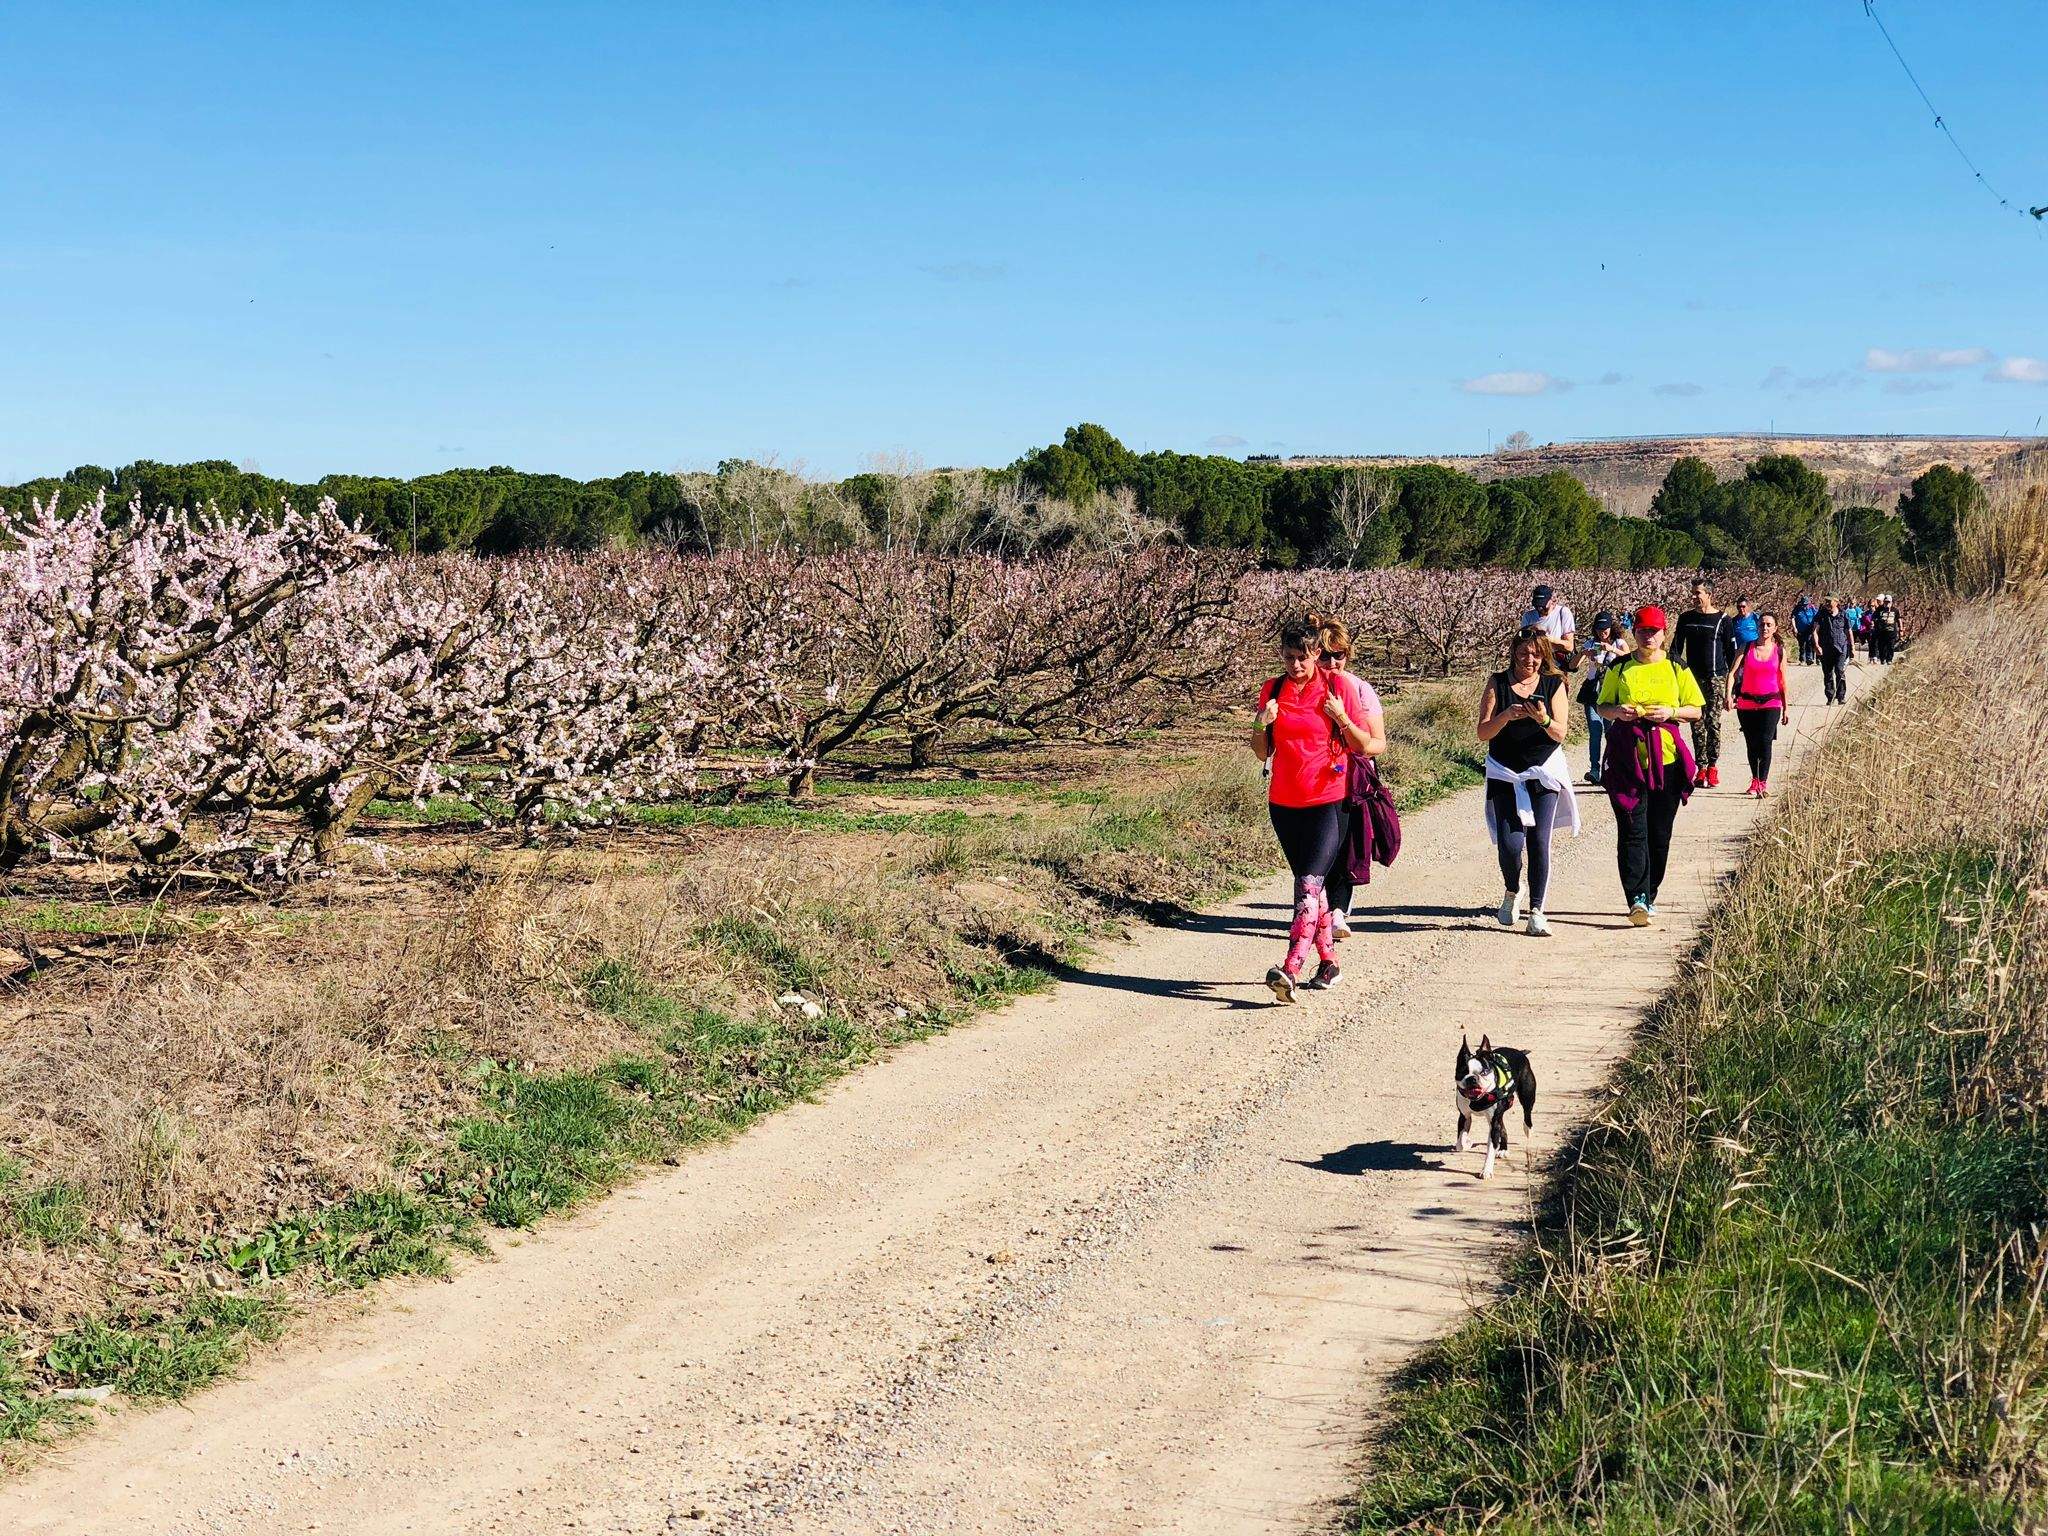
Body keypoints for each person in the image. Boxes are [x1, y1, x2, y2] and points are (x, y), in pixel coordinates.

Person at [1252, 616, 1384, 1001]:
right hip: (1284, 802)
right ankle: (1329, 961)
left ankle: (1290, 968)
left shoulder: (1337, 686)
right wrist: (1262, 722)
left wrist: (1340, 717)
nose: (1295, 666)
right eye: (1289, 657)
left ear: (1316, 656)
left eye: (1303, 658)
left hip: (1329, 800)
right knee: (1314, 887)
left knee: (1308, 885)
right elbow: (1263, 752)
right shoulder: (1272, 690)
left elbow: (1365, 745)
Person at [1596, 604, 1703, 927]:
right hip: (1628, 760)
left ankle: (1650, 891)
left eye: (1653, 631)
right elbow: (1602, 705)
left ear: (1664, 633)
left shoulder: (1676, 667)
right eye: (1642, 630)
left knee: (1659, 833)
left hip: (1666, 759)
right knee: (1631, 830)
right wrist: (1618, 713)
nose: (1647, 636)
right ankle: (1636, 898)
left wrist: (1670, 712)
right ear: (1634, 632)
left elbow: (1696, 709)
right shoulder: (1620, 667)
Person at [1477, 628, 1579, 937]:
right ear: (1513, 653)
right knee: (1510, 844)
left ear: (1544, 656)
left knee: (1538, 841)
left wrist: (1543, 719)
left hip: (1543, 771)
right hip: (1504, 772)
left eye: (1536, 654)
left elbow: (1561, 733)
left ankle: (1537, 910)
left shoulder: (1554, 684)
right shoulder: (1497, 683)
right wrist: (1506, 715)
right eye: (1523, 653)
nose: (1529, 659)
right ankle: (1512, 889)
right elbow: (1483, 732)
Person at [1315, 617, 1384, 942]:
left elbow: (1377, 742)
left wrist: (1343, 722)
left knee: (1344, 847)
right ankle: (1321, 909)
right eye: (1325, 655)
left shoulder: (1359, 689)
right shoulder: (1302, 686)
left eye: (1339, 655)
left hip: (1350, 776)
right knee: (1319, 849)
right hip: (1311, 779)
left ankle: (1338, 912)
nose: (1332, 663)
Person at [1671, 579, 1734, 789]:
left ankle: (1713, 766)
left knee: (1713, 723)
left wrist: (1732, 688)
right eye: (1693, 593)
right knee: (1696, 724)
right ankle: (1701, 767)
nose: (1695, 597)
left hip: (1715, 678)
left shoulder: (1723, 619)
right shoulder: (1686, 618)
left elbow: (1731, 653)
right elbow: (1675, 650)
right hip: (1692, 679)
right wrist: (1676, 676)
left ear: (1709, 594)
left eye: (1698, 593)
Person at [1728, 611, 1789, 796]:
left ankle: (1762, 782)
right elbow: (1732, 673)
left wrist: (1786, 708)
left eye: (1769, 624)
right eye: (1762, 624)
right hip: (1746, 703)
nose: (1765, 628)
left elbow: (1783, 680)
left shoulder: (1779, 650)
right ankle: (1754, 780)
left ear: (1775, 628)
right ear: (1757, 626)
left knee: (1765, 742)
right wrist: (1728, 695)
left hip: (1771, 702)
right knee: (1751, 743)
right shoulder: (1746, 648)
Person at [1576, 611, 1631, 784]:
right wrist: (1585, 653)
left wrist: (1612, 649)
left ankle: (1612, 767)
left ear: (1611, 627)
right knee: (1594, 729)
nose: (1603, 632)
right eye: (1599, 629)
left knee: (1612, 732)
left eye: (1605, 628)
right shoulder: (1591, 643)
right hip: (1593, 692)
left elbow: (1630, 659)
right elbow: (1573, 665)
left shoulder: (1619, 643)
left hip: (1612, 694)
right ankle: (1594, 769)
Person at [1815, 595, 1853, 705]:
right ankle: (1830, 697)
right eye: (1826, 601)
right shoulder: (1821, 614)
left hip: (1841, 647)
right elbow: (1815, 631)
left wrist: (1852, 647)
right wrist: (1817, 645)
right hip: (1826, 648)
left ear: (1836, 602)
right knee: (1828, 673)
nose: (1826, 603)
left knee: (1839, 671)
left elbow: (1848, 630)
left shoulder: (1843, 614)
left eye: (1829, 601)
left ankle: (1841, 696)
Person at [1520, 584, 1577, 652]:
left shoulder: (1563, 612)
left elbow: (1569, 646)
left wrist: (1546, 638)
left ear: (1551, 600)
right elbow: (1523, 642)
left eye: (1543, 605)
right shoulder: (1528, 616)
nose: (1540, 609)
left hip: (1555, 657)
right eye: (1537, 606)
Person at [1869, 592, 1900, 664]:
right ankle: (1882, 659)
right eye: (1886, 602)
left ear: (1891, 602)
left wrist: (1900, 629)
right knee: (1881, 646)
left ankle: (1889, 659)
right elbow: (1874, 617)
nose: (1887, 603)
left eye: (1888, 602)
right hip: (1881, 632)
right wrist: (1873, 623)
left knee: (1891, 646)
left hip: (1892, 632)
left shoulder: (1895, 610)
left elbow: (1899, 619)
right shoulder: (1879, 609)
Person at [1792, 593, 1819, 665]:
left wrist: (1816, 627)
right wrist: (1794, 628)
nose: (1805, 606)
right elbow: (1793, 618)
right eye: (1803, 604)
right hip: (1800, 629)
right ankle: (1802, 659)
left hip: (1810, 629)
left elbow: (1817, 617)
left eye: (1806, 604)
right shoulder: (1797, 609)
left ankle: (1809, 658)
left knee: (1809, 643)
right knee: (1801, 644)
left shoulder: (1812, 608)